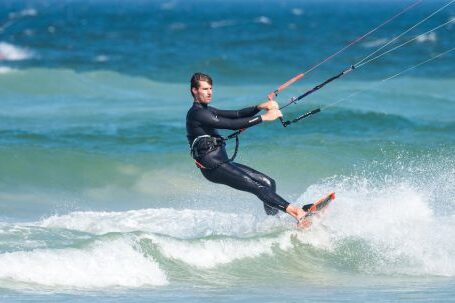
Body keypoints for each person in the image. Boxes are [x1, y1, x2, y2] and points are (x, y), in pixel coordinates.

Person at [186, 72, 309, 227]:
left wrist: (260, 107)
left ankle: (275, 222)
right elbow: (231, 125)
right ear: (194, 90)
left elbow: (236, 114)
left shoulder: (208, 110)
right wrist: (264, 117)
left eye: (210, 88)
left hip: (222, 162)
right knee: (257, 187)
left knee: (269, 183)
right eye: (204, 89)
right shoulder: (196, 114)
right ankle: (297, 212)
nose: (209, 92)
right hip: (212, 166)